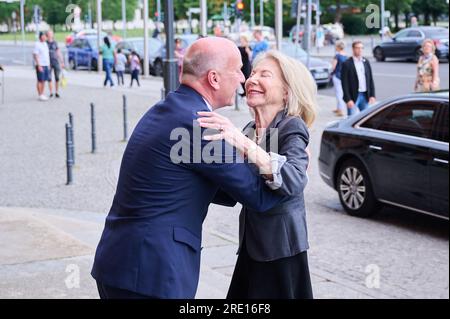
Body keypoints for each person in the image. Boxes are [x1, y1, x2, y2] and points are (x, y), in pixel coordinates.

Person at [91, 37, 285, 299]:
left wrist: (247, 144)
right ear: (214, 78)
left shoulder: (170, 109)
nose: (243, 78)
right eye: (238, 69)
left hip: (124, 264)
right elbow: (259, 197)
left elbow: (221, 189)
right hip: (152, 274)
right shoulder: (199, 125)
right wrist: (288, 164)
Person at [197, 49, 317, 299]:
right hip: (252, 246)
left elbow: (293, 180)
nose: (252, 79)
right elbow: (233, 189)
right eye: (252, 73)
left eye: (265, 74)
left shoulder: (291, 126)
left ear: (286, 92)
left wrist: (242, 143)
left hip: (280, 251)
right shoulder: (250, 130)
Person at [341, 41, 376, 117]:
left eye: (361, 48)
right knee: (351, 119)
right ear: (353, 49)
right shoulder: (347, 64)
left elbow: (370, 79)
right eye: (357, 48)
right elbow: (344, 83)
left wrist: (372, 95)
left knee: (365, 119)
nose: (360, 50)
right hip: (353, 96)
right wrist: (348, 99)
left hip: (365, 95)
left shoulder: (366, 62)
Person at [46, 30, 65, 98]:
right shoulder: (45, 43)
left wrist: (62, 61)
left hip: (56, 62)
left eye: (51, 34)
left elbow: (58, 52)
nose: (51, 35)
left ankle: (57, 92)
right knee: (49, 78)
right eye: (49, 34)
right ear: (47, 35)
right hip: (48, 63)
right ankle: (51, 92)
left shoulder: (55, 43)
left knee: (57, 78)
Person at [331, 41, 347, 117]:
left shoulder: (337, 56)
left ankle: (341, 110)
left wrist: (331, 73)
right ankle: (338, 108)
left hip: (337, 76)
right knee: (341, 92)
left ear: (338, 47)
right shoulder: (345, 56)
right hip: (343, 77)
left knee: (338, 94)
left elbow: (333, 67)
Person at [33, 32, 50, 101]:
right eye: (43, 36)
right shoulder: (37, 44)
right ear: (40, 37)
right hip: (40, 65)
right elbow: (35, 55)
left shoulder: (45, 44)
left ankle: (42, 93)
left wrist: (48, 64)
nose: (45, 37)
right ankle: (40, 94)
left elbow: (47, 55)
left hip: (46, 64)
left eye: (45, 36)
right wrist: (39, 65)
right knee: (40, 80)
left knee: (44, 80)